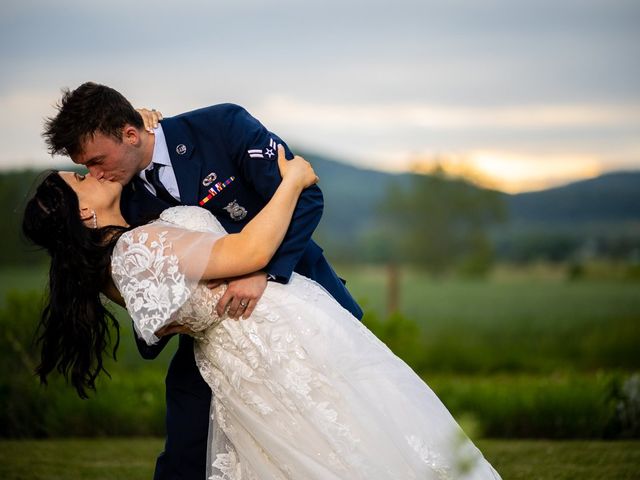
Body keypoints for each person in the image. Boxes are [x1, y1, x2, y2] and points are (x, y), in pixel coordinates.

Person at [23, 147, 501, 479]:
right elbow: (250, 250)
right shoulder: (139, 246)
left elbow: (173, 316)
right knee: (354, 435)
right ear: (83, 215)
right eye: (79, 180)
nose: (91, 173)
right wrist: (291, 182)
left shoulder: (112, 267)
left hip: (241, 361)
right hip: (277, 337)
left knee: (315, 445)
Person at [41, 82, 362, 480]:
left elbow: (305, 196)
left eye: (97, 160)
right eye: (86, 168)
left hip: (297, 306)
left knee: (342, 429)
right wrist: (154, 326)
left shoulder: (220, 125)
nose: (95, 173)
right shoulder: (116, 197)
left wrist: (263, 272)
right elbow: (122, 272)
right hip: (216, 341)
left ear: (129, 133)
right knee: (186, 456)